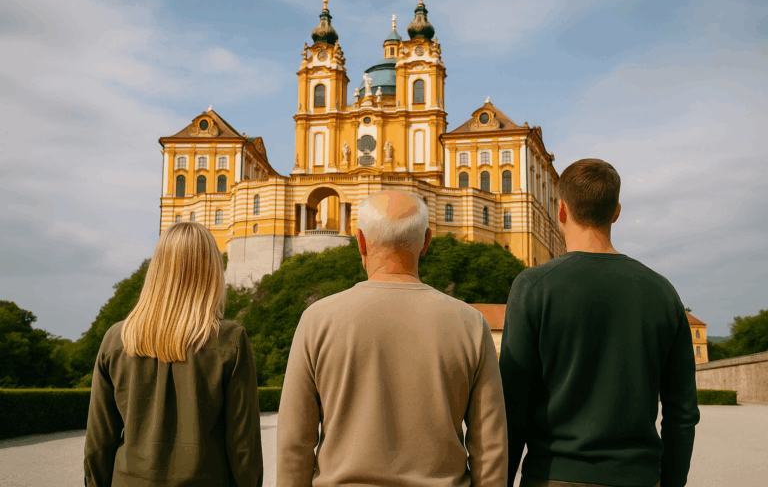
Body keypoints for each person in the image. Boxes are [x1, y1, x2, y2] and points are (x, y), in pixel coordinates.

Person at [276, 189, 508, 487]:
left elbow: (294, 444)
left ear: (360, 241)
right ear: (426, 241)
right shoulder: (471, 325)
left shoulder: (316, 320)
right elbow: (490, 449)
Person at [499, 159, 700, 487]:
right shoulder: (661, 291)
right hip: (639, 478)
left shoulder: (534, 286)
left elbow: (512, 404)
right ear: (616, 212)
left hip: (553, 477)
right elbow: (682, 413)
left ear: (561, 210)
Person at [84, 222, 263, 487]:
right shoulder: (230, 339)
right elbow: (243, 446)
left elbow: (98, 443)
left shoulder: (117, 338)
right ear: (212, 270)